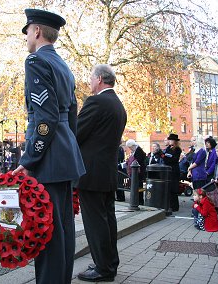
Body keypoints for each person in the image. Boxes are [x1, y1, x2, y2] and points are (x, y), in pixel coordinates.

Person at [12, 8, 86, 284]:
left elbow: (45, 117)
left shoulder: (35, 61)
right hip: (64, 155)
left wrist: (30, 158)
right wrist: (70, 148)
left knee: (46, 232)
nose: (26, 37)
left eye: (27, 31)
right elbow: (71, 115)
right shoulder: (63, 66)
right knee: (63, 230)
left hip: (49, 158)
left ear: (37, 31)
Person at [75, 64, 127, 282]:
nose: (89, 82)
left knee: (95, 223)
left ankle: (102, 269)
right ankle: (109, 264)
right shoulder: (117, 104)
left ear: (99, 79)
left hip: (92, 174)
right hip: (106, 173)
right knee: (107, 221)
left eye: (90, 78)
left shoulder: (96, 101)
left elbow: (77, 133)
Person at [163, 133, 182, 212]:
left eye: (171, 140)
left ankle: (174, 206)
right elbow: (166, 158)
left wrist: (166, 157)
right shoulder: (168, 148)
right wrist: (165, 157)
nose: (169, 141)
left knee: (173, 188)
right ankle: (169, 204)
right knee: (169, 188)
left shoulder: (177, 149)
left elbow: (174, 160)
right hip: (168, 170)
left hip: (174, 170)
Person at [125, 139, 147, 205]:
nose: (130, 149)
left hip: (138, 172)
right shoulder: (136, 150)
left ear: (132, 146)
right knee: (136, 186)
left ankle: (140, 200)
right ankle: (137, 199)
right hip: (136, 172)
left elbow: (139, 161)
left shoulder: (138, 151)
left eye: (130, 147)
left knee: (138, 187)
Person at [204, 136, 218, 209]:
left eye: (208, 143)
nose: (206, 144)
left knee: (212, 190)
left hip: (211, 173)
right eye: (206, 143)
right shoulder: (208, 152)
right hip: (207, 171)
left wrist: (208, 172)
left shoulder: (214, 152)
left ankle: (214, 206)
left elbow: (214, 163)